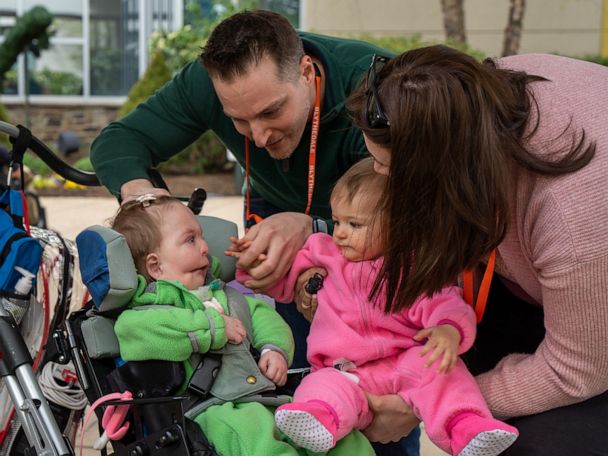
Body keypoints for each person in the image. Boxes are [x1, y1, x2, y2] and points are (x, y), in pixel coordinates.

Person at [90, 10, 421, 454]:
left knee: (372, 396)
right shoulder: (206, 84)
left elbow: (420, 216)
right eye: (240, 121)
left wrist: (314, 231)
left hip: (374, 239)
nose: (260, 137)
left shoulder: (375, 89)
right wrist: (151, 207)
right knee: (287, 375)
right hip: (272, 212)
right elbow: (117, 143)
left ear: (306, 71)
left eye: (271, 112)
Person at [347, 45, 608, 455]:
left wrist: (431, 402)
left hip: (592, 337)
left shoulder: (573, 215)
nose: (379, 177)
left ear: (444, 168)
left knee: (535, 442)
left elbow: (577, 370)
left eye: (389, 169)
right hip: (544, 278)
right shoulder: (475, 93)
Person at [235, 158, 518, 455]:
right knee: (321, 385)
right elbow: (283, 283)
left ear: (399, 226)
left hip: (405, 364)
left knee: (444, 372)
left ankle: (466, 427)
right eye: (338, 220)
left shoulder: (412, 269)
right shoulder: (323, 253)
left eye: (354, 224)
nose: (340, 232)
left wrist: (448, 332)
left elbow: (445, 304)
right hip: (345, 369)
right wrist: (252, 265)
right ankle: (320, 418)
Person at [109, 195, 375, 456]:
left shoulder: (225, 294)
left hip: (264, 397)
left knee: (342, 437)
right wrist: (211, 328)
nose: (204, 247)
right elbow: (137, 333)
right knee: (258, 440)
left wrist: (274, 349)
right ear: (156, 266)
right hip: (214, 411)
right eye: (191, 240)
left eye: (201, 237)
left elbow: (262, 317)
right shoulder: (146, 312)